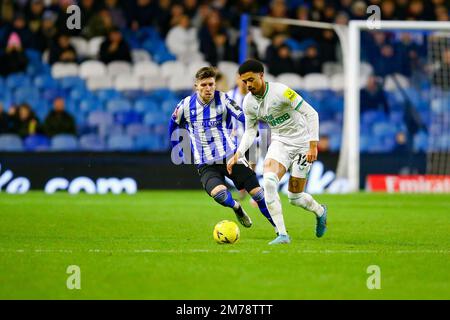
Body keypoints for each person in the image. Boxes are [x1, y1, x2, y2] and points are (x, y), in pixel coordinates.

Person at [227, 59, 328, 245]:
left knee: (295, 198)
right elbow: (250, 131)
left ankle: (320, 211)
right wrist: (238, 154)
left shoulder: (281, 92)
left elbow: (312, 114)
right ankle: (282, 235)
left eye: (251, 79)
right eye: (244, 81)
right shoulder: (248, 102)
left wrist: (313, 145)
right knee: (269, 181)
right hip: (280, 143)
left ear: (261, 76)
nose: (248, 85)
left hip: (302, 144)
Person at [169, 67, 276, 231]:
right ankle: (236, 207)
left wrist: (257, 121)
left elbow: (241, 115)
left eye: (211, 84)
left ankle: (279, 229)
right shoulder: (185, 105)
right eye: (204, 85)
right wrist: (176, 146)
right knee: (219, 194)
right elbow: (173, 124)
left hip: (230, 157)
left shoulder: (224, 99)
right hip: (205, 163)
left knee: (258, 194)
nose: (208, 88)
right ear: (196, 86)